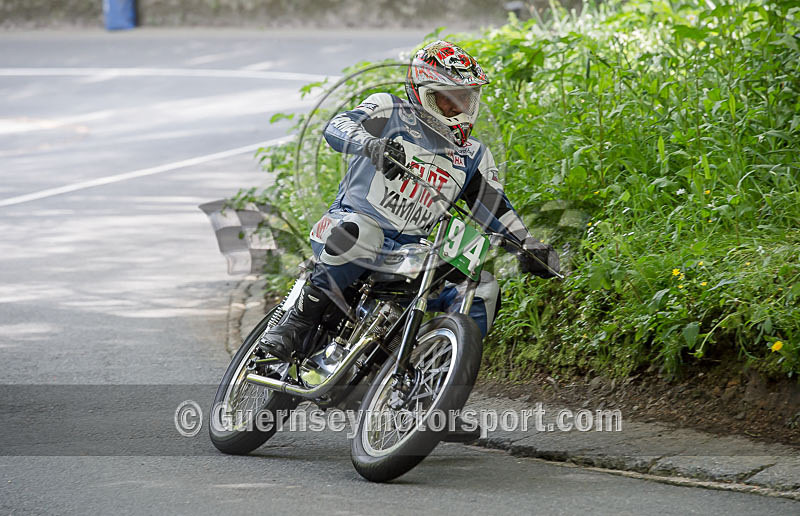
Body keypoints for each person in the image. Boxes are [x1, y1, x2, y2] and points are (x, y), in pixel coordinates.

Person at [260, 40, 559, 373]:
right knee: (362, 233)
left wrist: (528, 245)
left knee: (485, 287)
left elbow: (494, 208)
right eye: (447, 97)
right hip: (347, 226)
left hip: (411, 257)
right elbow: (337, 126)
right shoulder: (388, 109)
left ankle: (437, 385)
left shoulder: (473, 155)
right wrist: (370, 144)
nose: (455, 107)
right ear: (423, 91)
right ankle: (294, 324)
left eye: (464, 98)